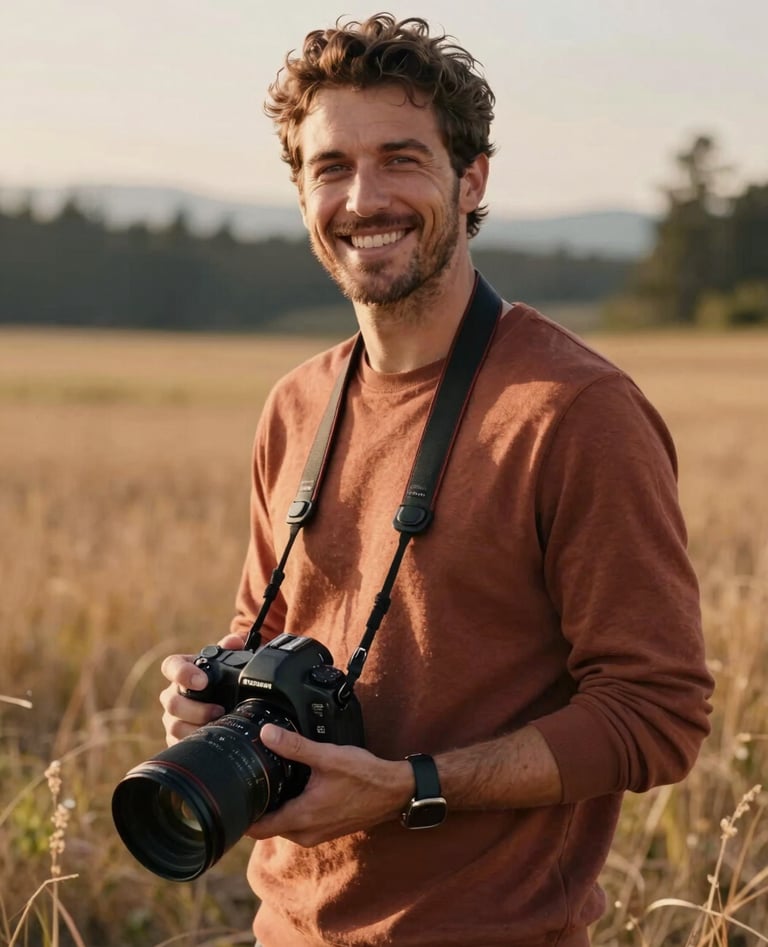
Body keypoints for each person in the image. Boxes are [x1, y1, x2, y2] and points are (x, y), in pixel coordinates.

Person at [159, 13, 713, 947]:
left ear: (472, 178)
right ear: (301, 192)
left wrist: (410, 786)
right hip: (283, 929)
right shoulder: (295, 404)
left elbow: (657, 714)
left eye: (401, 158)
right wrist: (211, 693)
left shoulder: (574, 411)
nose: (363, 196)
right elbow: (264, 625)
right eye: (330, 166)